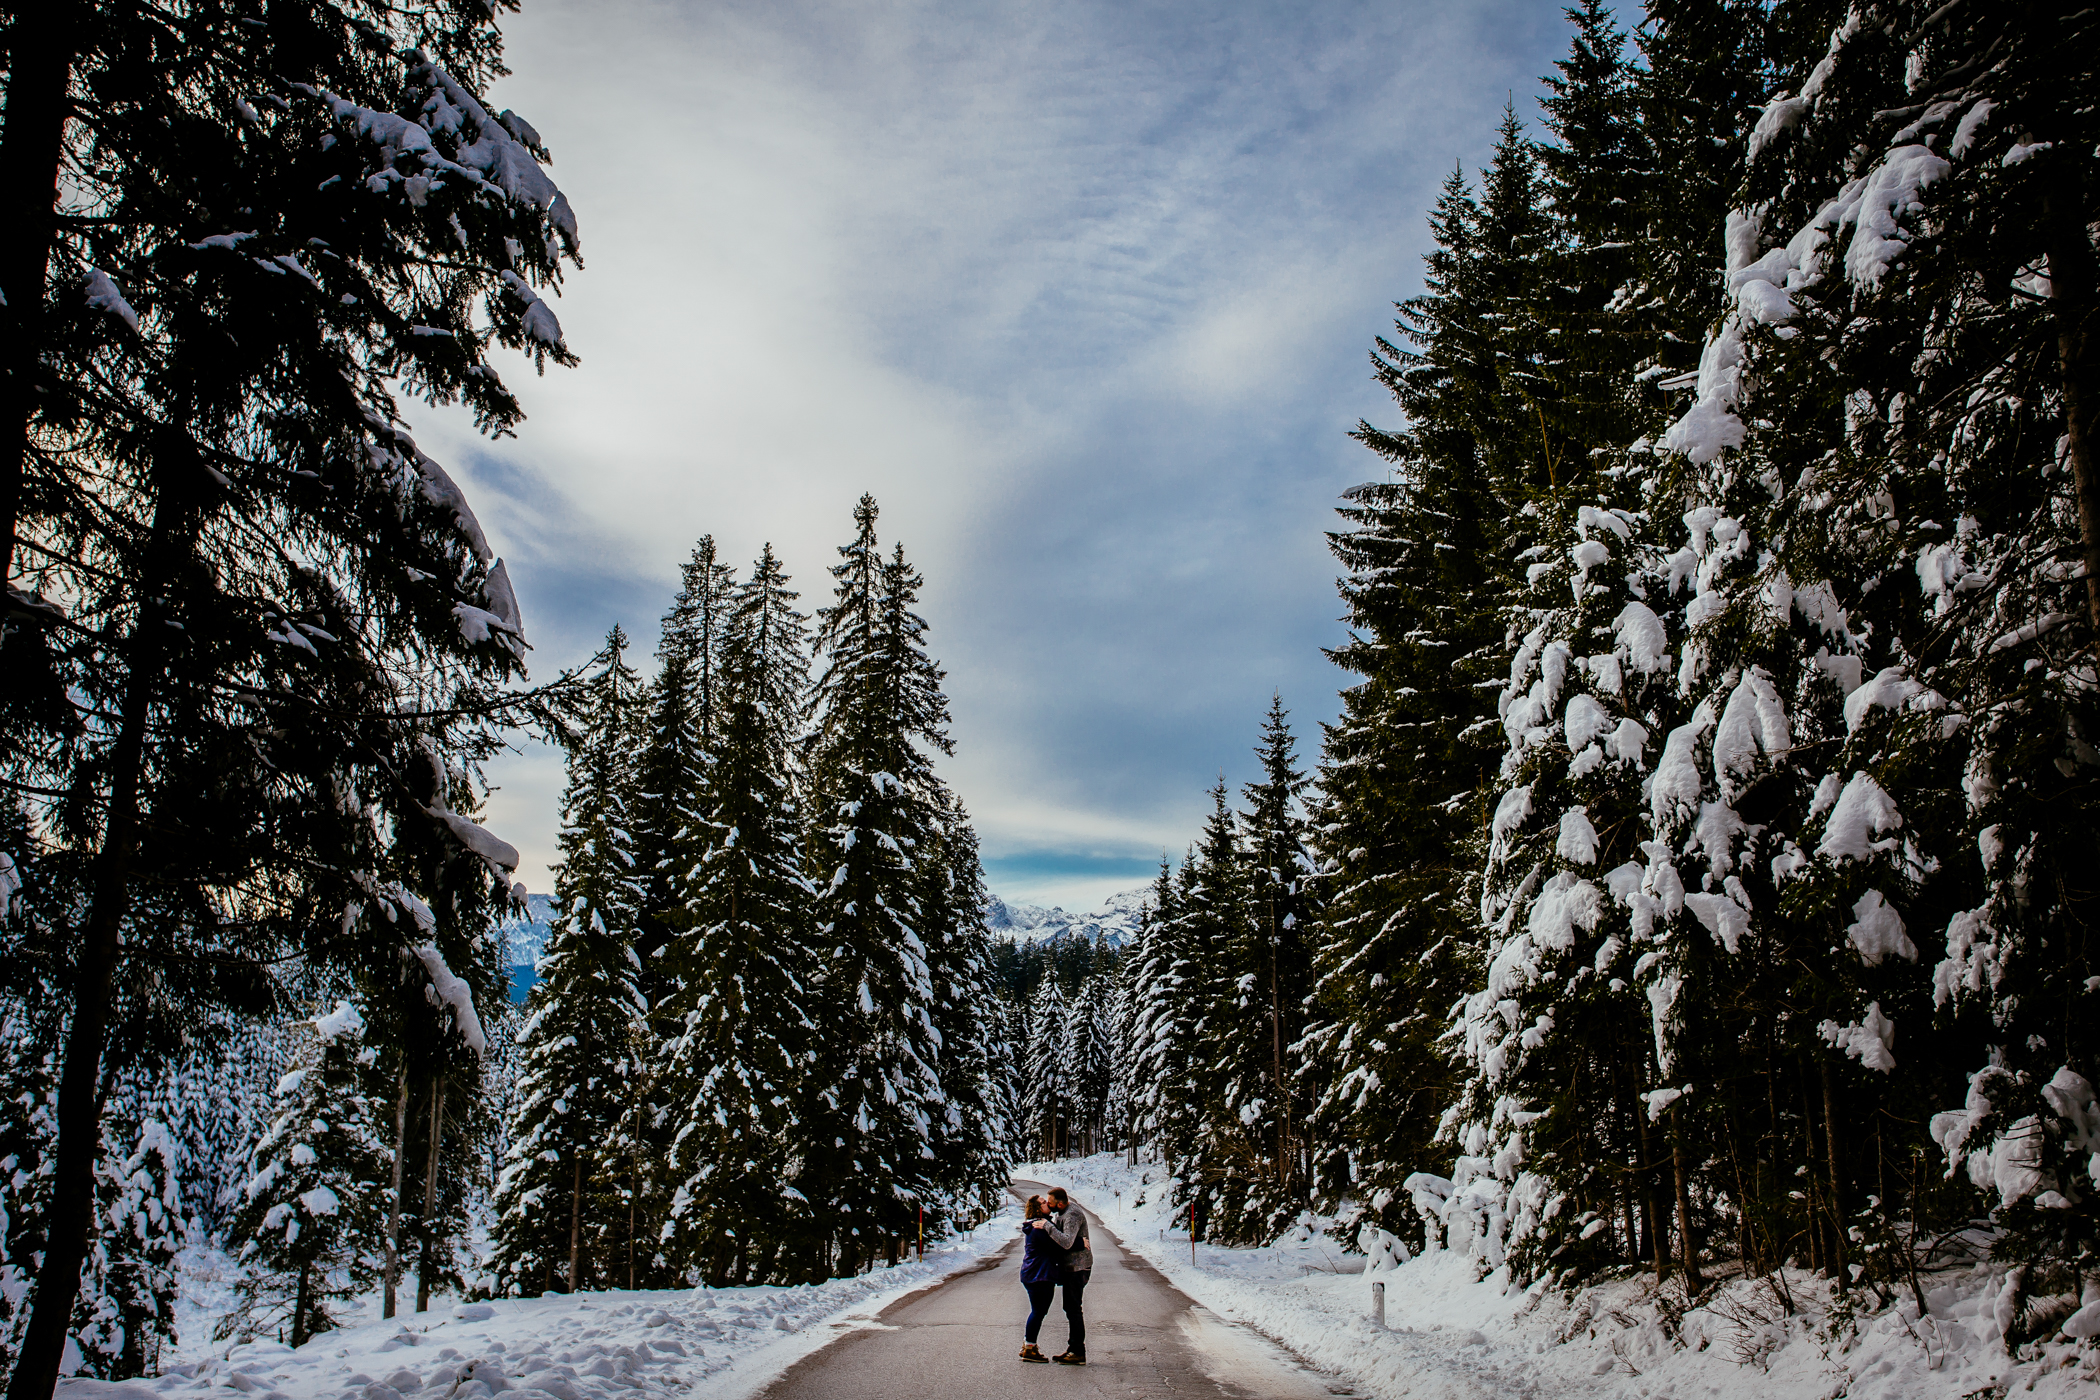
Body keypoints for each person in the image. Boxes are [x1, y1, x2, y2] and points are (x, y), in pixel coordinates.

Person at [1042, 1187, 1092, 1365]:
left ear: (1060, 1203)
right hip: (1071, 1267)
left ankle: (1078, 1351)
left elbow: (1066, 1241)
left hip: (1078, 1268)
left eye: (1050, 1203)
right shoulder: (1062, 1212)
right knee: (1070, 1307)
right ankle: (1073, 1349)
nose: (1048, 1204)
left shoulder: (1072, 1215)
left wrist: (1047, 1226)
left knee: (1073, 1308)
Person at [1017, 1194, 1062, 1363]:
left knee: (1038, 1311)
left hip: (1034, 1274)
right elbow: (1058, 1246)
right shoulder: (1039, 1228)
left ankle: (1029, 1345)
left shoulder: (1036, 1225)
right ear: (1037, 1208)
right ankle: (1029, 1348)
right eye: (1044, 1203)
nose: (1047, 1204)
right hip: (1039, 1276)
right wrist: (1081, 1243)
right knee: (1038, 1311)